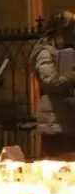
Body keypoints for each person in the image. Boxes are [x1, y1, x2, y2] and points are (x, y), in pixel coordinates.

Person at [33, 10, 75, 158]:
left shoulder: (66, 51)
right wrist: (71, 75)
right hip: (54, 121)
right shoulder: (45, 53)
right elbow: (50, 82)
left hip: (67, 119)